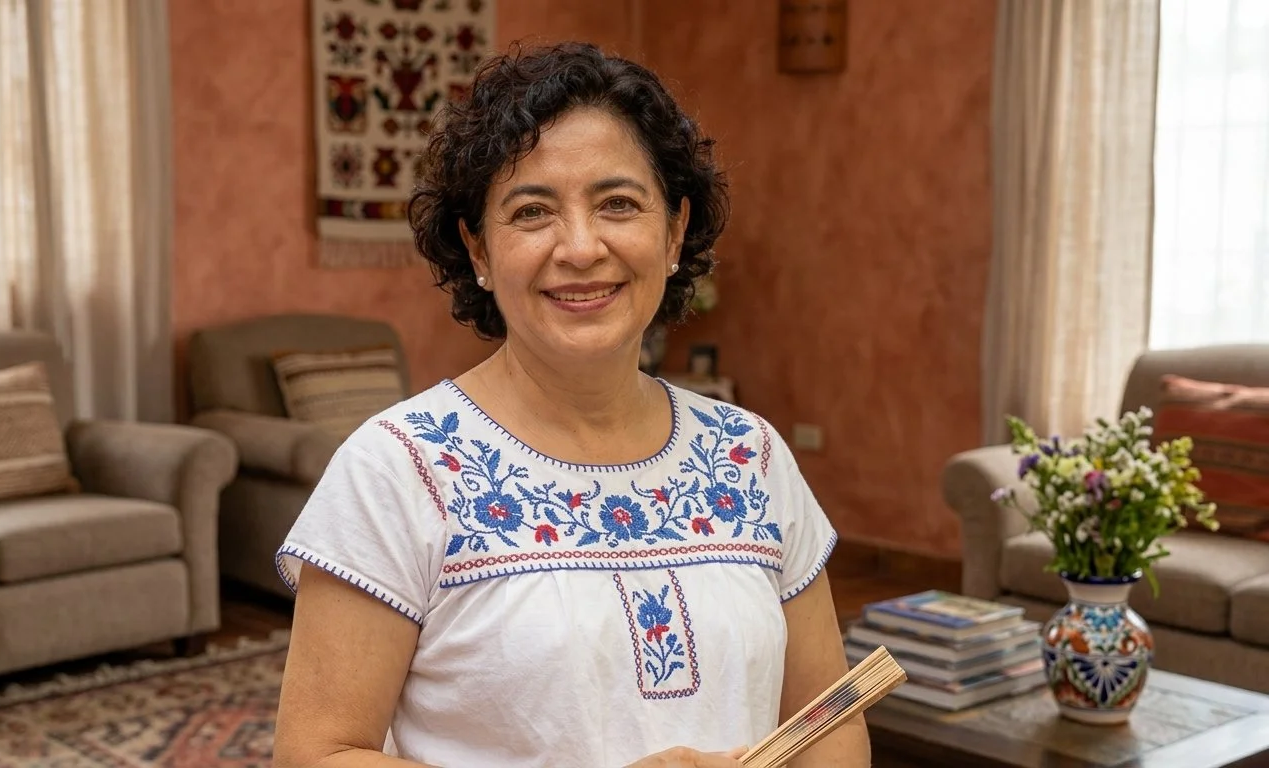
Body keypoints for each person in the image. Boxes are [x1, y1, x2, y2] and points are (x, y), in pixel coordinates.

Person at [271, 41, 871, 768]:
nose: (582, 247)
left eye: (619, 203)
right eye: (532, 211)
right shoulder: (399, 467)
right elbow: (317, 754)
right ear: (479, 250)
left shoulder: (751, 455)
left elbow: (831, 717)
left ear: (675, 230)